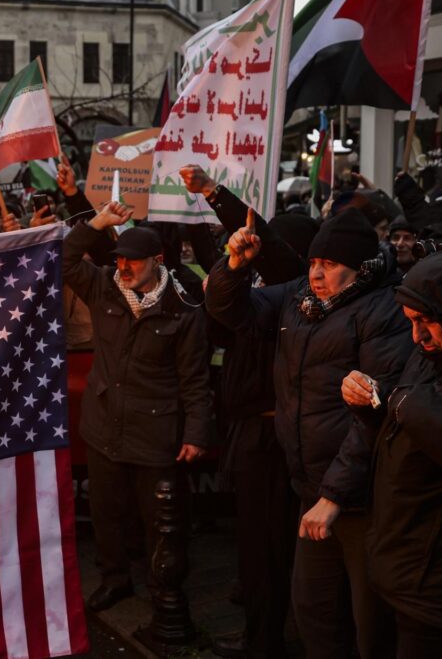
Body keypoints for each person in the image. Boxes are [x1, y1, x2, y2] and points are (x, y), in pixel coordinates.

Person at [206, 207, 413, 658]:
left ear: (358, 267)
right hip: (311, 487)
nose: (316, 274)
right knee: (314, 611)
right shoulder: (300, 295)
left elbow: (374, 417)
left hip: (362, 497)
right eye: (314, 262)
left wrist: (334, 495)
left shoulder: (384, 311)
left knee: (370, 623)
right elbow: (230, 312)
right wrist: (234, 267)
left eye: (330, 265)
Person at [180, 165, 314, 658]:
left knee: (271, 546)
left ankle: (267, 640)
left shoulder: (294, 291)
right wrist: (226, 273)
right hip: (247, 431)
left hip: (274, 435)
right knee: (255, 543)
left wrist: (215, 193)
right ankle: (261, 627)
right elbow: (218, 321)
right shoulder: (259, 297)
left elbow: (274, 253)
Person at [62, 200, 212, 611]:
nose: (123, 267)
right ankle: (115, 580)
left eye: (133, 261)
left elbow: (195, 379)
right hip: (104, 426)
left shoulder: (183, 308)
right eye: (119, 259)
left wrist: (196, 433)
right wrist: (98, 222)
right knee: (106, 514)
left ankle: (162, 587)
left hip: (154, 432)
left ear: (157, 262)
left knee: (159, 519)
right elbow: (64, 258)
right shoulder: (102, 285)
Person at [339, 252, 442, 656]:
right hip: (401, 571)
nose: (417, 336)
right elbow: (406, 429)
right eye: (410, 321)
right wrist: (370, 403)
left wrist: (411, 406)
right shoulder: (432, 352)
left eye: (425, 321)